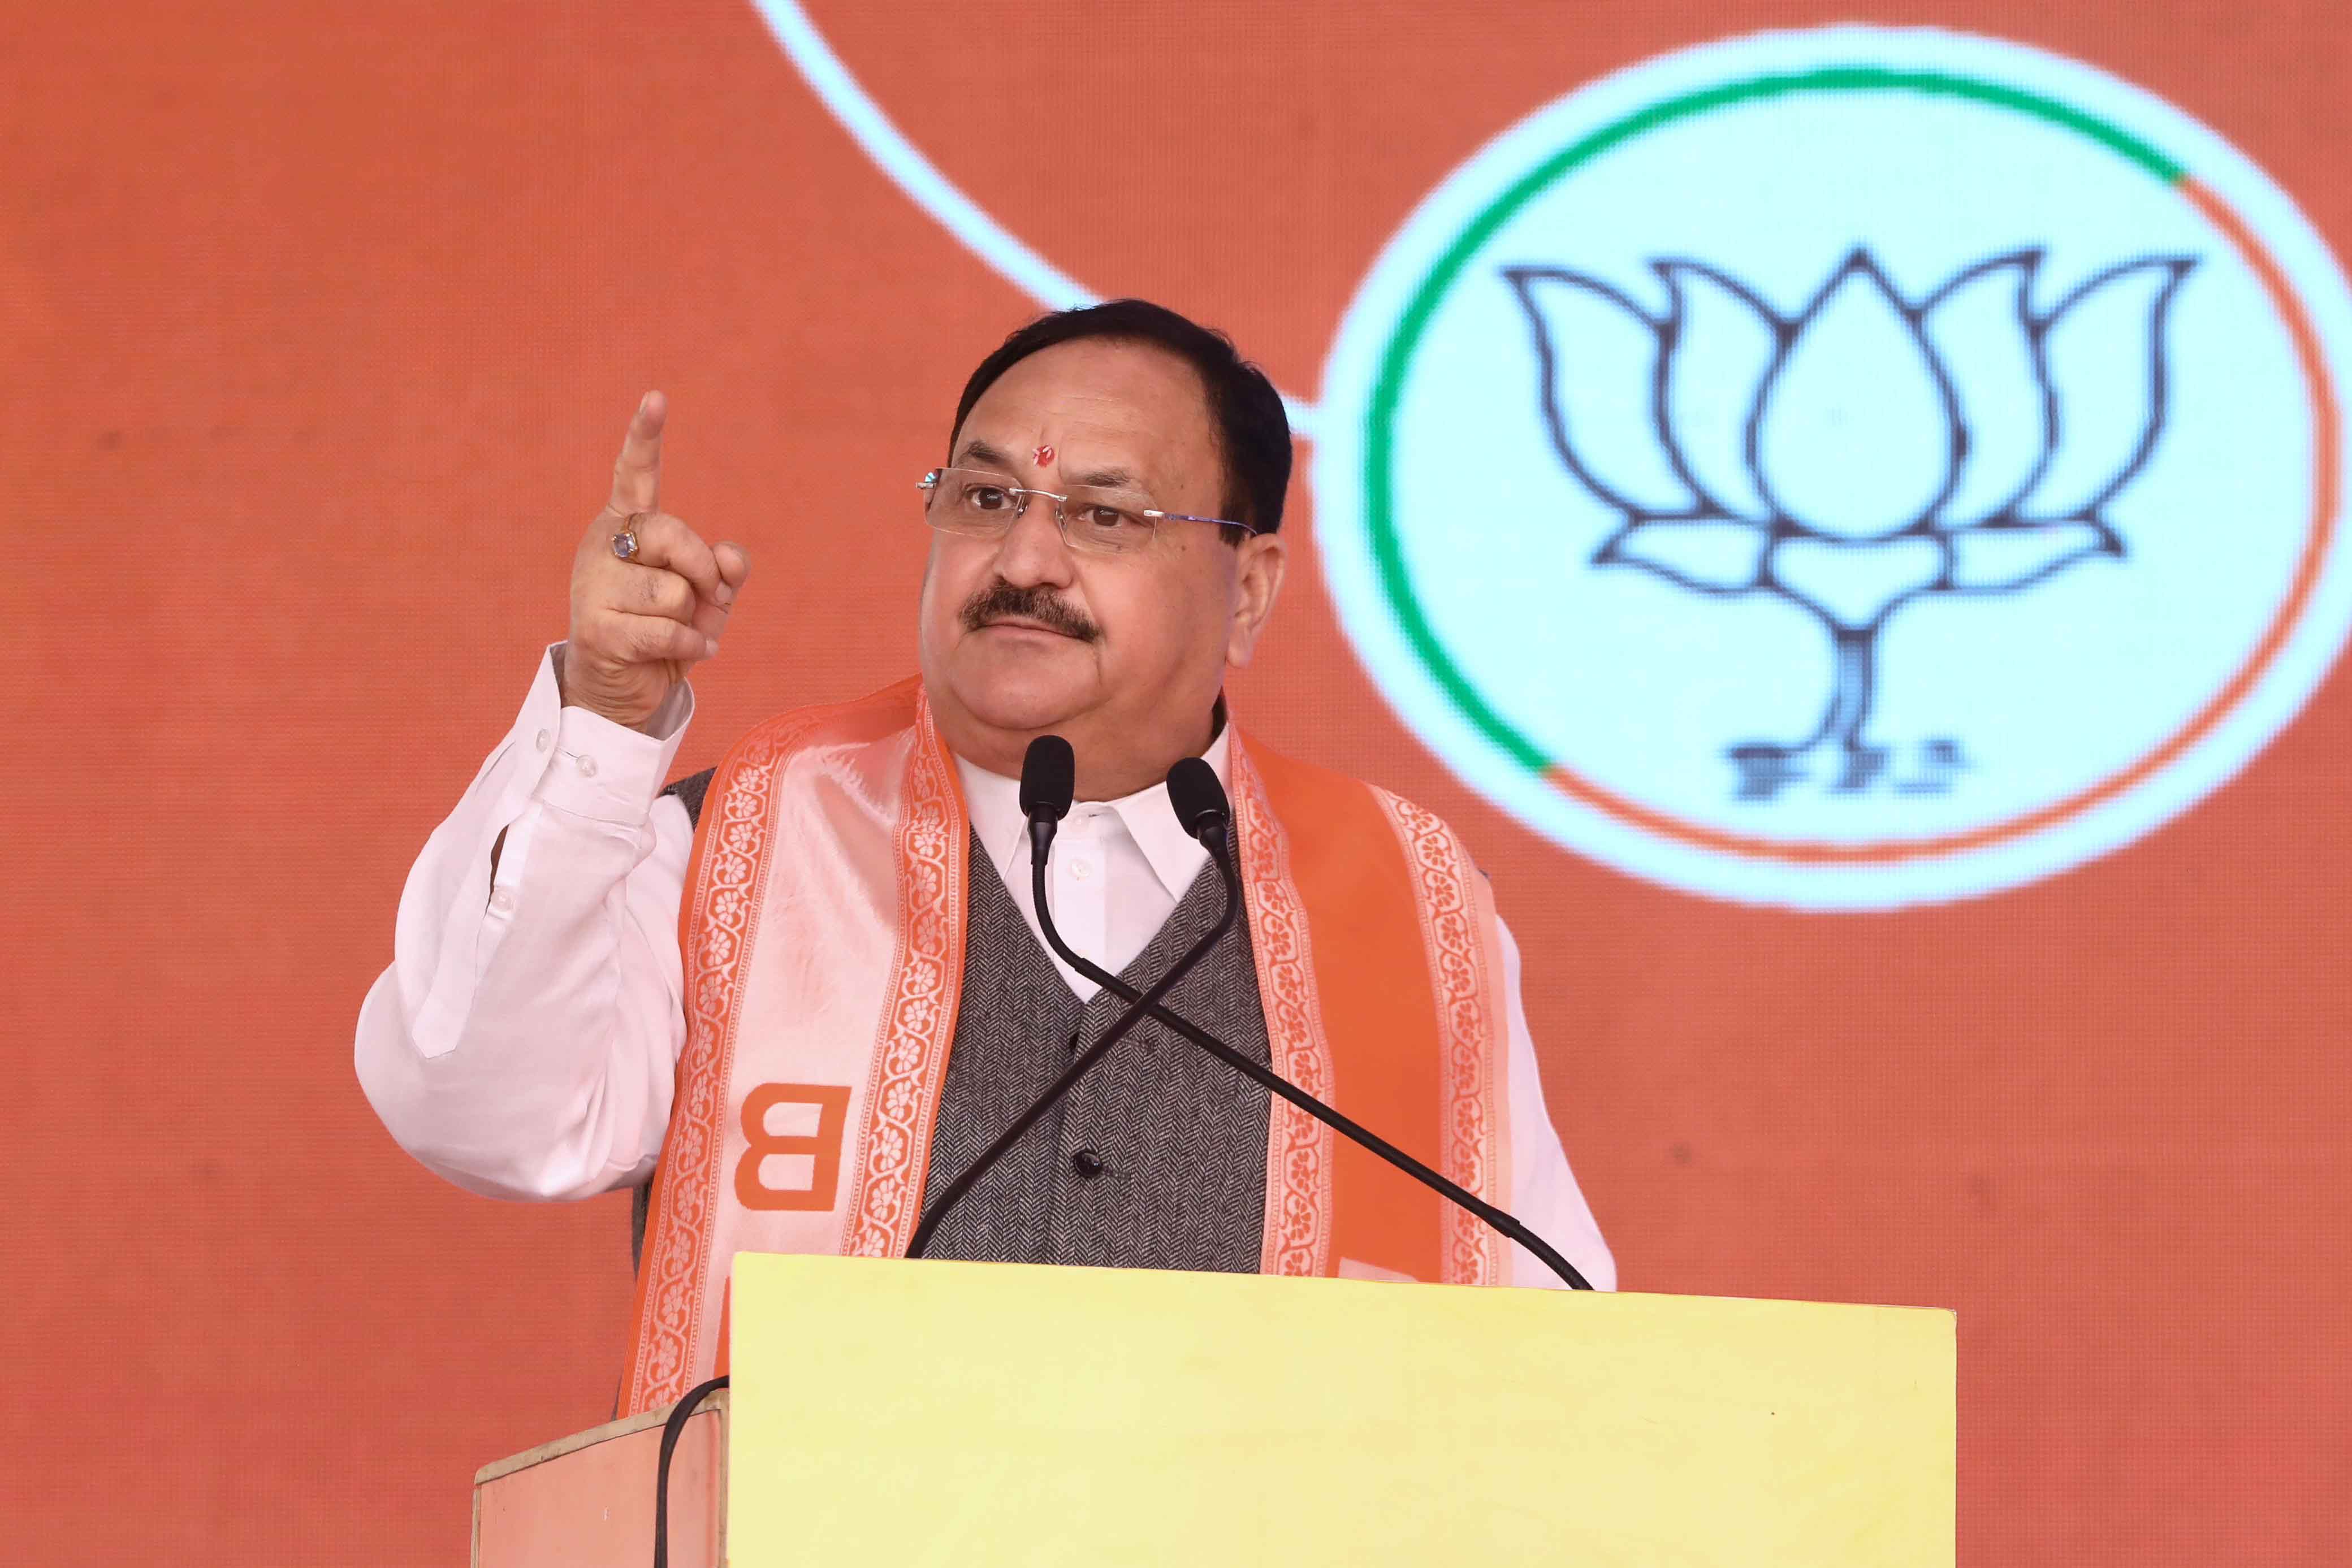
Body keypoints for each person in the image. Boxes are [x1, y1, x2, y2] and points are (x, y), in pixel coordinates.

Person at [356, 300, 1613, 1417]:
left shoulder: (1406, 896)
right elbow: (482, 1112)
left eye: (1103, 515)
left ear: (1249, 591)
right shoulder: (733, 841)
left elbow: (1559, 1351)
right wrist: (605, 724)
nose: (1022, 562)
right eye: (985, 497)